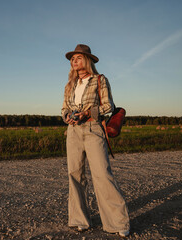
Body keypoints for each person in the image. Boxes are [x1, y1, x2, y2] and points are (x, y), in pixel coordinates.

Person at [61, 44, 130, 237]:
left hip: (93, 129)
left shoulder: (99, 79)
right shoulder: (70, 85)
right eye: (72, 58)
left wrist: (87, 113)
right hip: (73, 131)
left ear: (88, 60)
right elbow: (64, 108)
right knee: (75, 174)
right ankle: (79, 220)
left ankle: (118, 222)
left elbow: (108, 106)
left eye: (78, 57)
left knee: (102, 174)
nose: (75, 61)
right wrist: (67, 116)